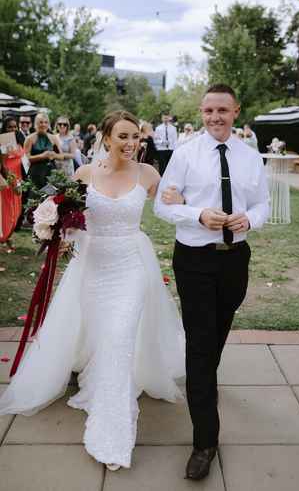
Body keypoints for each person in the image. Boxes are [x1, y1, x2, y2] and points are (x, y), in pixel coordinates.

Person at [0, 110, 185, 471]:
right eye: (124, 137)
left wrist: (184, 201)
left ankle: (111, 432)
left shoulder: (149, 174)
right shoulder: (84, 174)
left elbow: (172, 204)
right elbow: (46, 201)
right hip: (93, 267)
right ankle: (98, 378)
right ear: (106, 138)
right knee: (103, 336)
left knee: (119, 338)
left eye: (136, 137)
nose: (132, 143)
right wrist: (52, 226)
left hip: (132, 266)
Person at [154, 84, 269, 481]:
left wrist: (250, 219)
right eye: (208, 111)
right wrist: (197, 215)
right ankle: (205, 441)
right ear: (201, 114)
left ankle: (203, 381)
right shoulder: (185, 155)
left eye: (222, 110)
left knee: (216, 335)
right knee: (201, 346)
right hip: (194, 261)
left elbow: (263, 203)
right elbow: (162, 206)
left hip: (236, 261)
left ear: (236, 111)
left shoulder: (252, 158)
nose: (215, 117)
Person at [24, 112, 63, 189]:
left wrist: (54, 155)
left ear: (48, 124)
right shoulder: (30, 138)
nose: (43, 124)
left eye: (46, 122)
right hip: (36, 173)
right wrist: (42, 156)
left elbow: (61, 156)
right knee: (36, 197)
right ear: (36, 124)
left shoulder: (53, 138)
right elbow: (26, 159)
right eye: (41, 122)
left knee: (51, 198)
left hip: (51, 172)